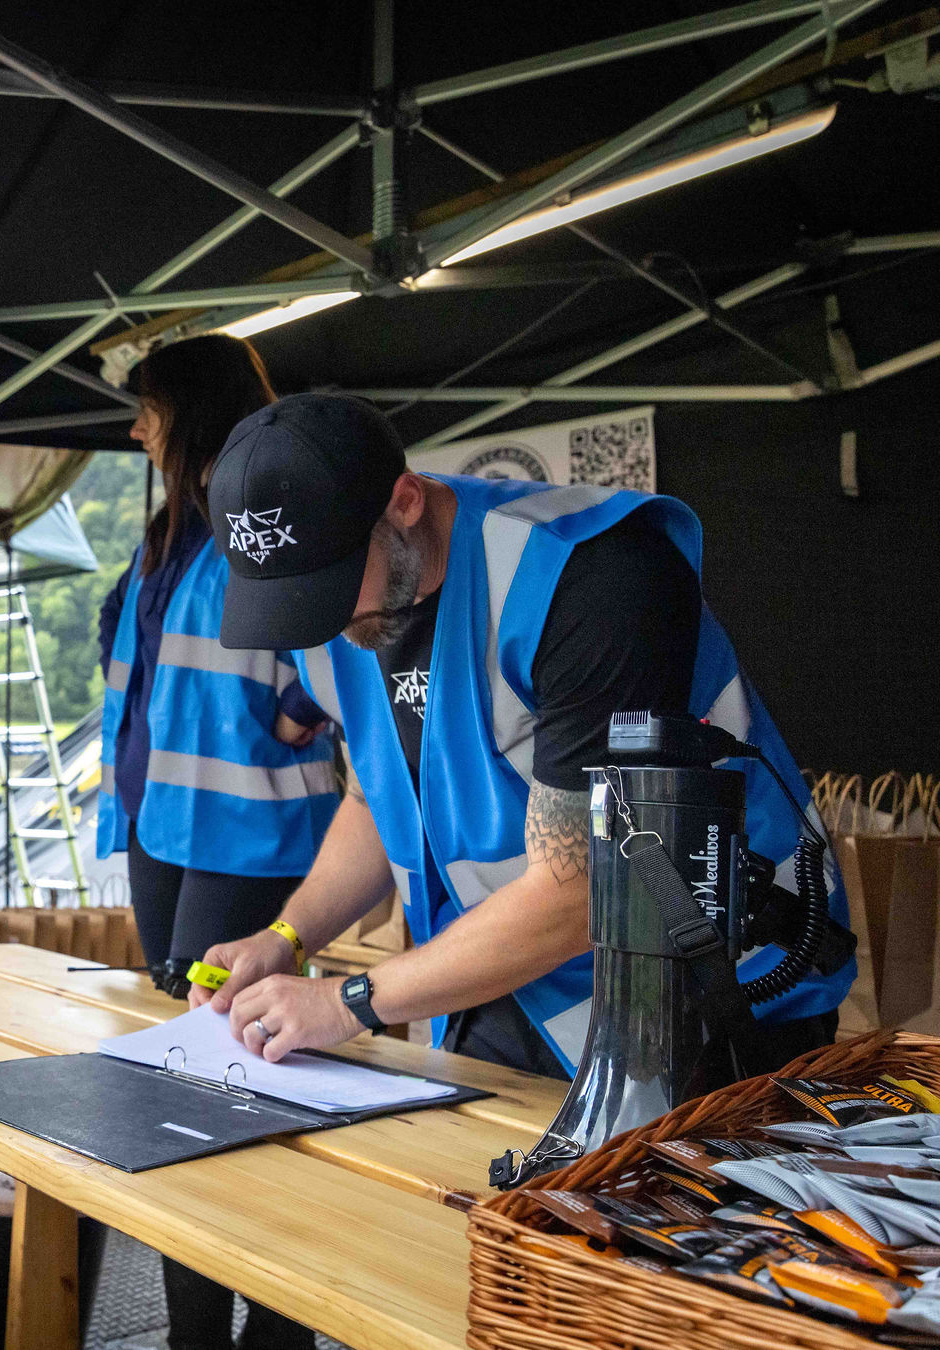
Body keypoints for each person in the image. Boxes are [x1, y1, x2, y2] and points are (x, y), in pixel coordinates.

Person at [189, 393, 849, 1085]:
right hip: (505, 978)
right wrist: (288, 937)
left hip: (703, 990)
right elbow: (379, 794)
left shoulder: (593, 575)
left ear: (405, 502)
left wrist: (349, 999)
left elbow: (579, 890)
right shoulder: (340, 617)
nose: (318, 616)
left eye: (329, 581)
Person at [95, 335, 339, 1350]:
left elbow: (320, 620)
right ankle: (195, 1326)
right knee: (181, 1086)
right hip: (166, 823)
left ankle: (270, 1329)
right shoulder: (168, 531)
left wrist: (297, 706)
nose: (134, 425)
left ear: (187, 408)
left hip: (249, 827)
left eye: (146, 405)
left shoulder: (255, 508)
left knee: (234, 1077)